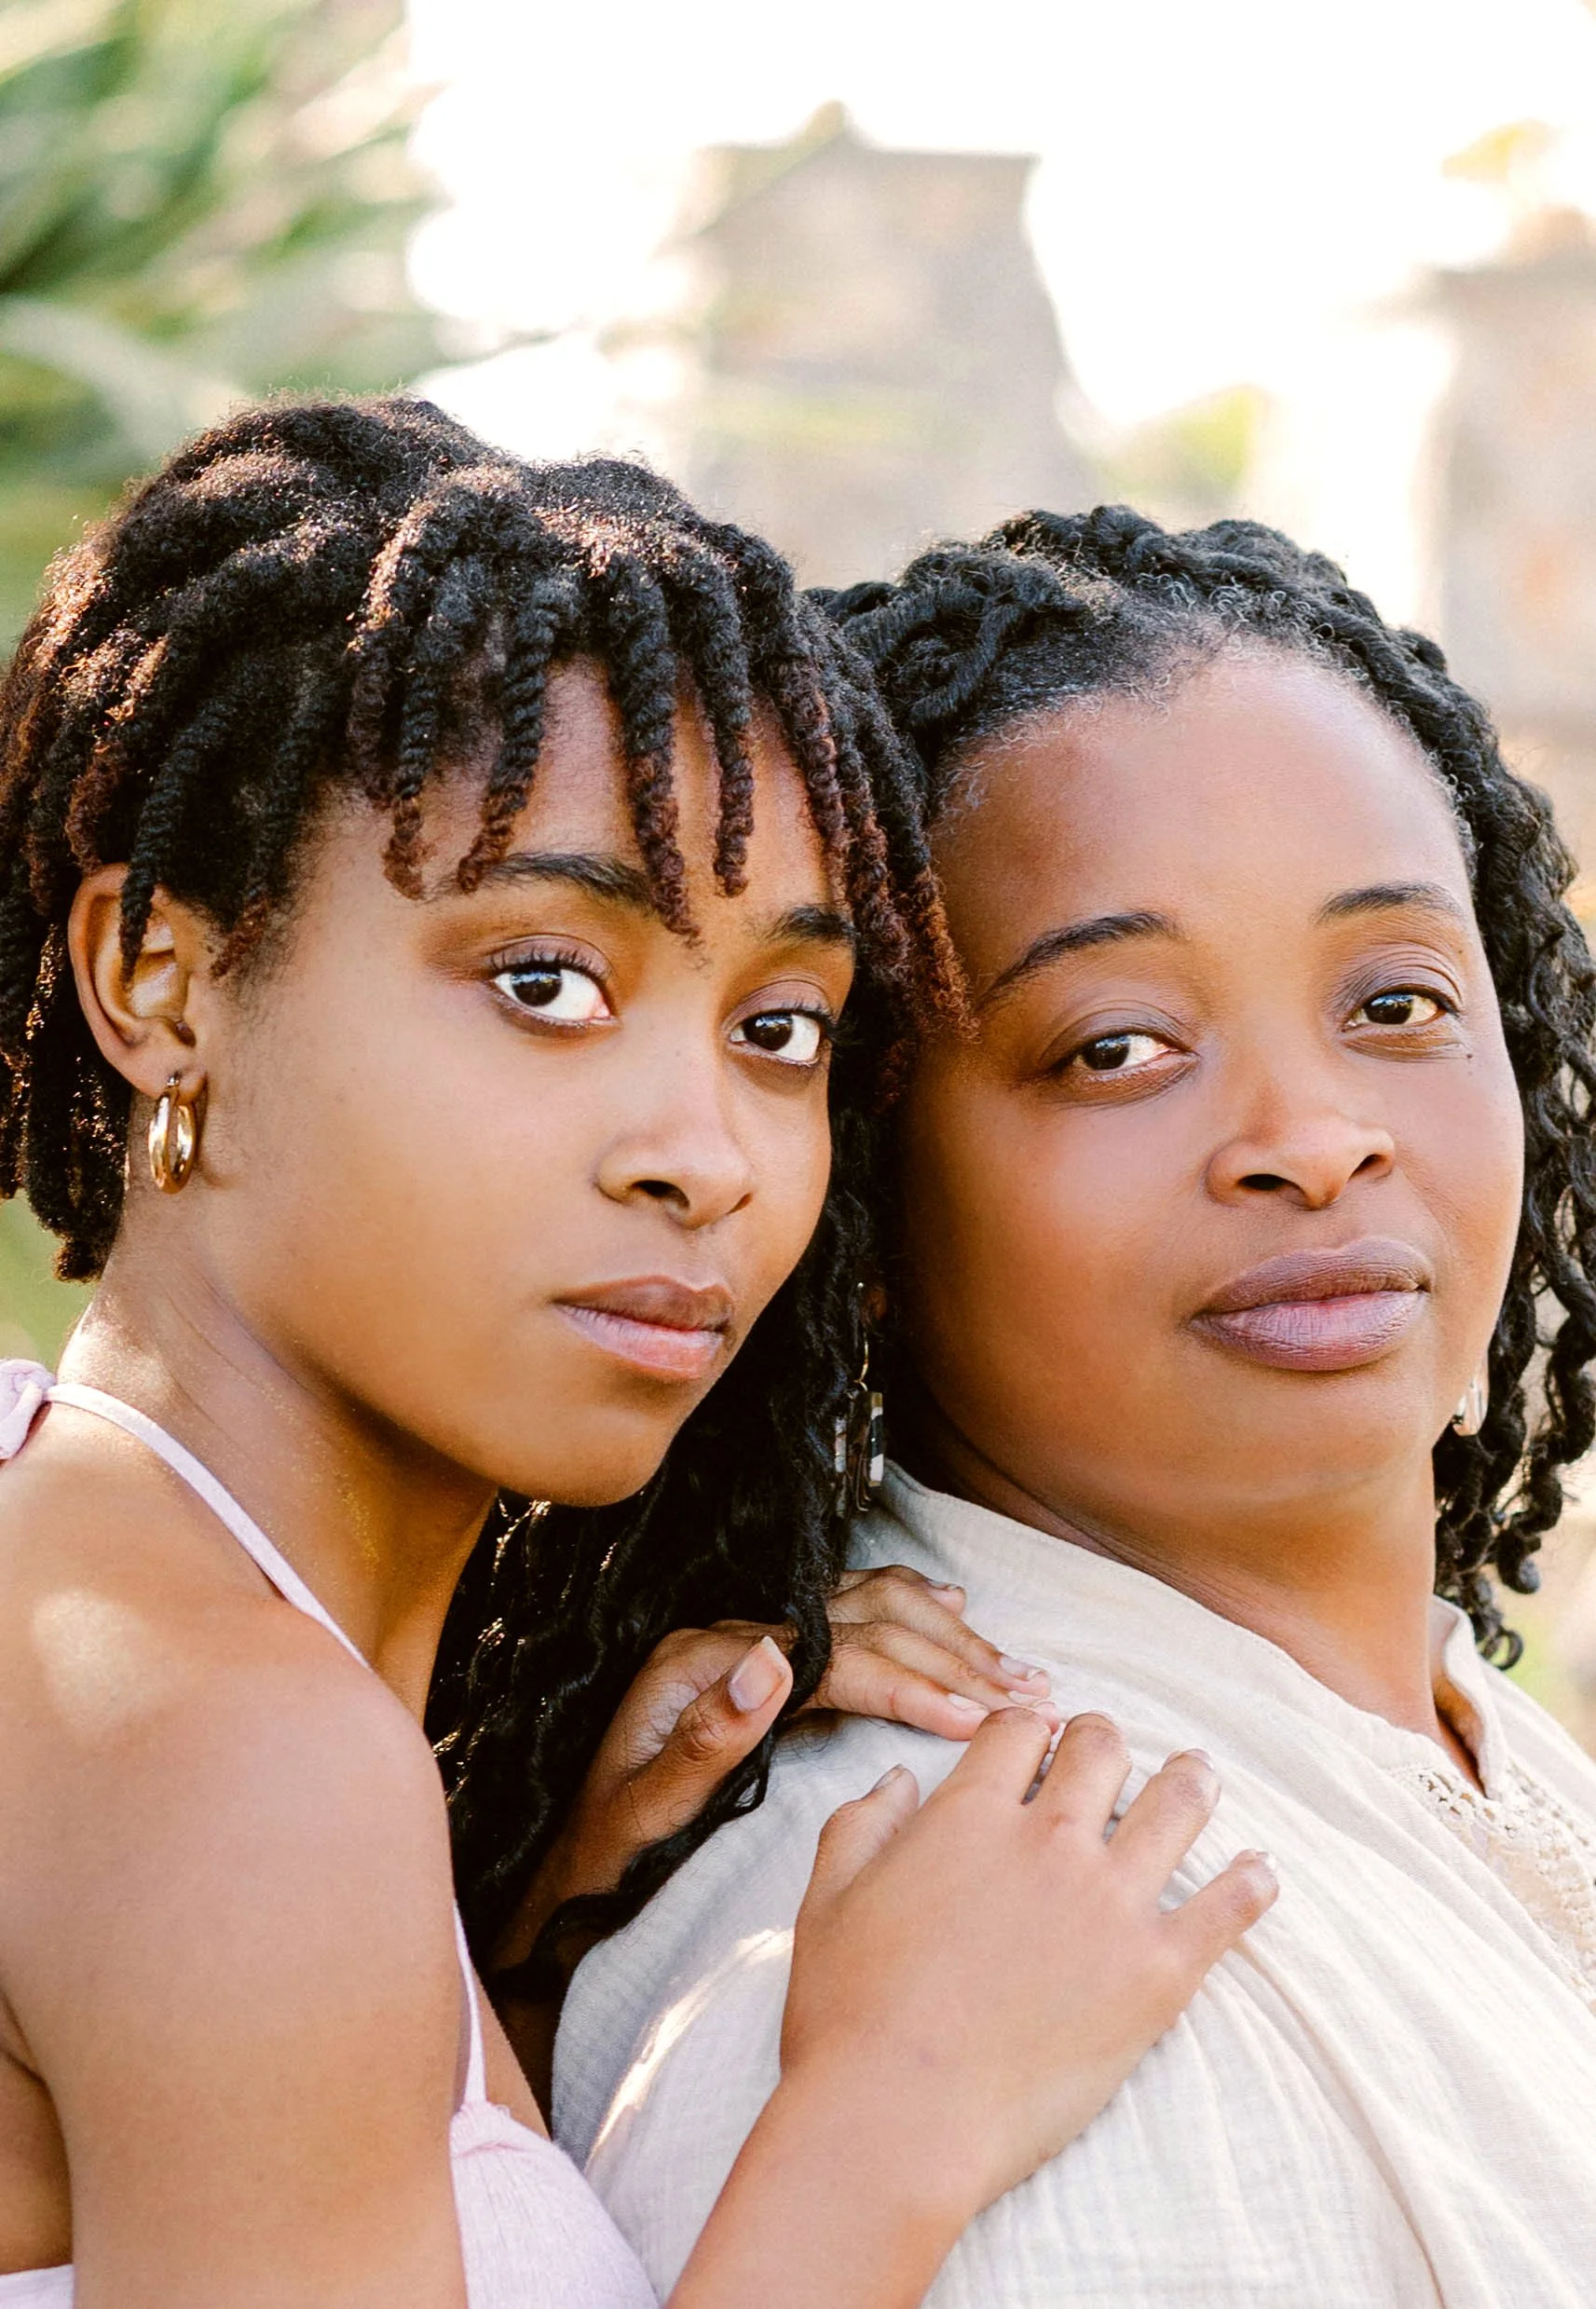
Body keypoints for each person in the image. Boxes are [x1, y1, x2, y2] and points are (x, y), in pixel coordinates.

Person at [0, 408, 1274, 2309]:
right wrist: (888, 2120)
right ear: (159, 980)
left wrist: (516, 1955)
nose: (705, 1152)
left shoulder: (112, 1606)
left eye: (780, 1025)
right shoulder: (235, 1751)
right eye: (546, 982)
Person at [554, 508, 1596, 2307]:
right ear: (860, 1189)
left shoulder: (1463, 1751)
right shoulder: (948, 1918)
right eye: (1116, 1044)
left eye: (1399, 999)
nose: (1312, 1134)